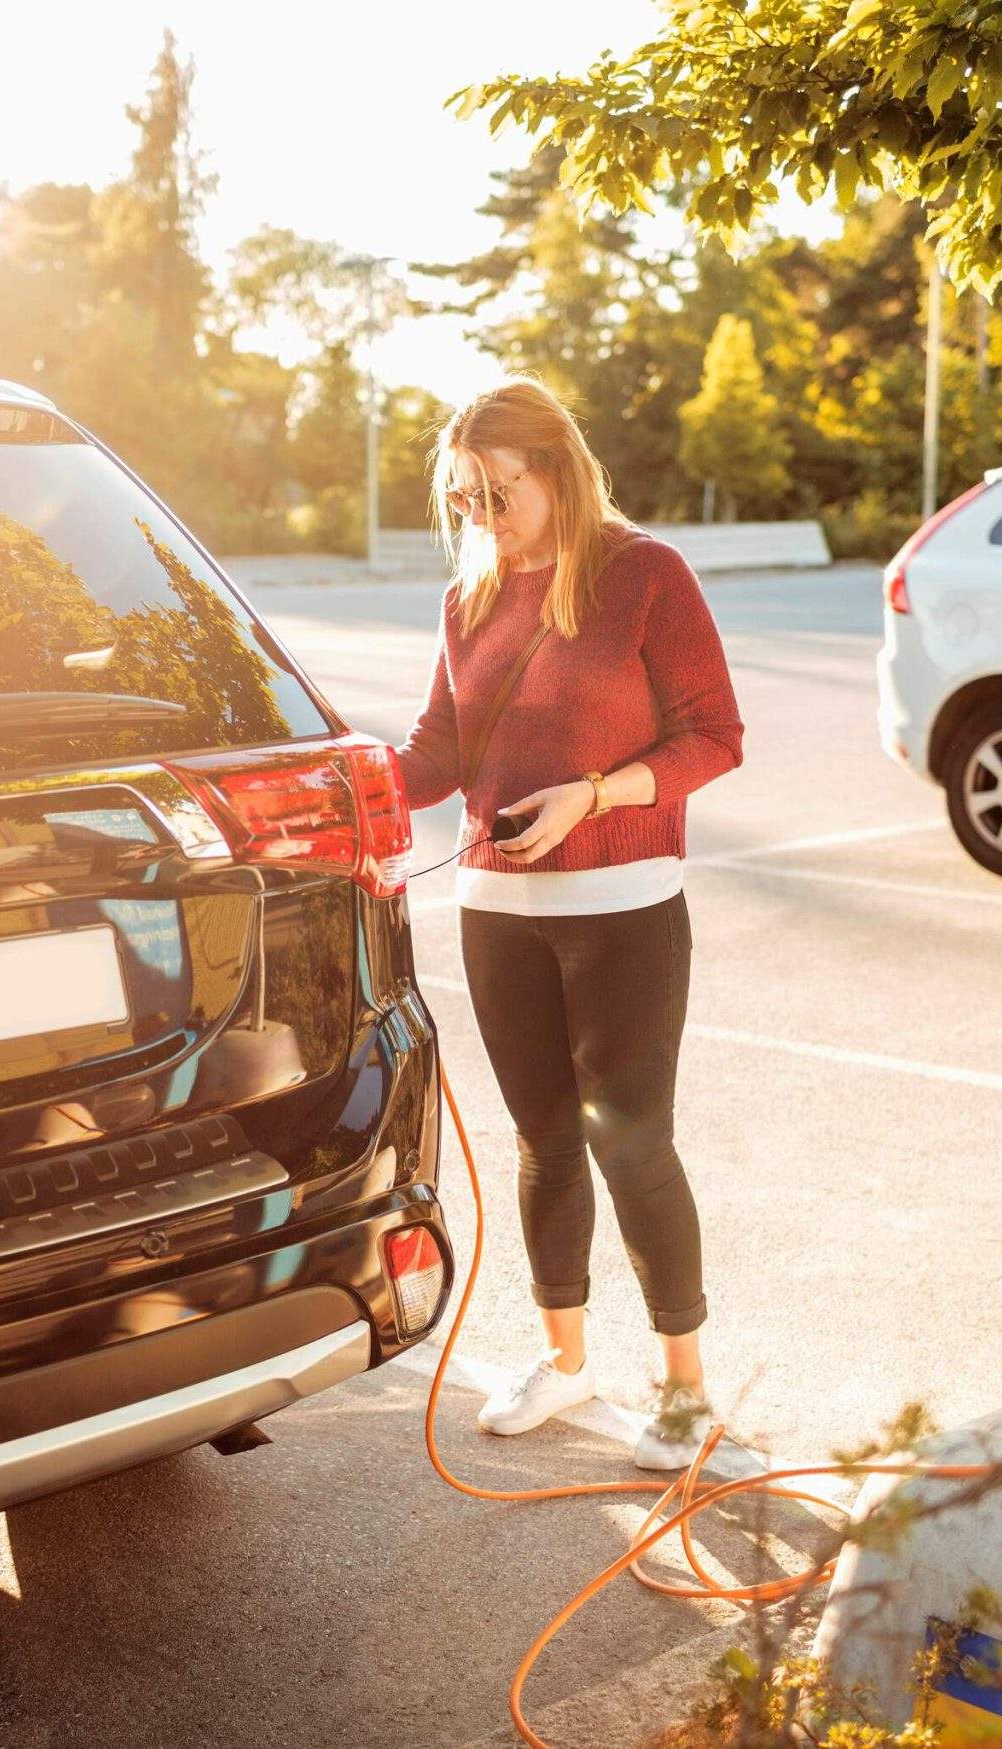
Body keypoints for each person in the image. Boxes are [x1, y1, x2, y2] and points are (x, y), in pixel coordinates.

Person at [393, 376, 745, 1470]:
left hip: (623, 908)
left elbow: (714, 738)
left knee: (631, 1142)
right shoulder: (469, 598)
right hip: (495, 910)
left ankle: (684, 1391)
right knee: (543, 1141)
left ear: (557, 471)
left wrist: (593, 795)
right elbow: (436, 753)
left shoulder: (645, 576)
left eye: (499, 494)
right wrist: (343, 789)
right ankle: (566, 1358)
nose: (482, 519)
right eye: (464, 500)